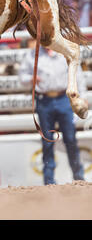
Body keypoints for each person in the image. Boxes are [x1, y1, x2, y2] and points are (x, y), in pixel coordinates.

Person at [18, 40, 86, 185]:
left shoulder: (64, 53)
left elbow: (78, 76)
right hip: (44, 101)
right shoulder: (32, 55)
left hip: (64, 99)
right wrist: (31, 79)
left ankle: (78, 177)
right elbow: (22, 77)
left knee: (70, 138)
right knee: (47, 140)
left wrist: (82, 97)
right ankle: (49, 180)